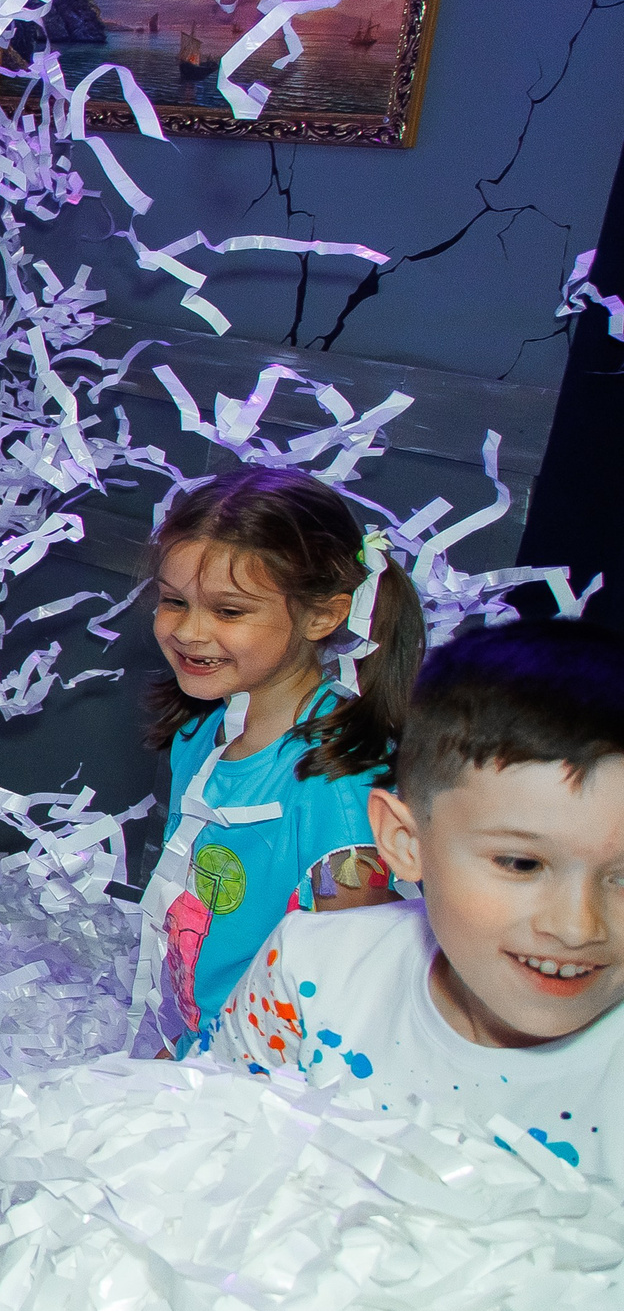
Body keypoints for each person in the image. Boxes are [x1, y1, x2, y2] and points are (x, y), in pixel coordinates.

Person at [214, 619, 623, 1182]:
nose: (578, 927)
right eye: (521, 863)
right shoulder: (312, 973)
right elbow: (207, 1149)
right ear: (406, 843)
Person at [134, 468, 422, 1056]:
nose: (189, 632)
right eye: (173, 602)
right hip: (199, 1047)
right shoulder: (204, 726)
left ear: (322, 615)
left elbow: (354, 970)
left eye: (230, 611)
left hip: (267, 1078)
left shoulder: (337, 779)